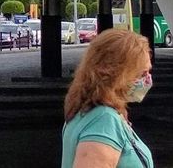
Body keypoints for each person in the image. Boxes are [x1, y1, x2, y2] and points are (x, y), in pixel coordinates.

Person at [61, 28, 154, 168]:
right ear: (116, 73)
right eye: (141, 73)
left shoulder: (85, 112)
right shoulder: (103, 120)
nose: (147, 80)